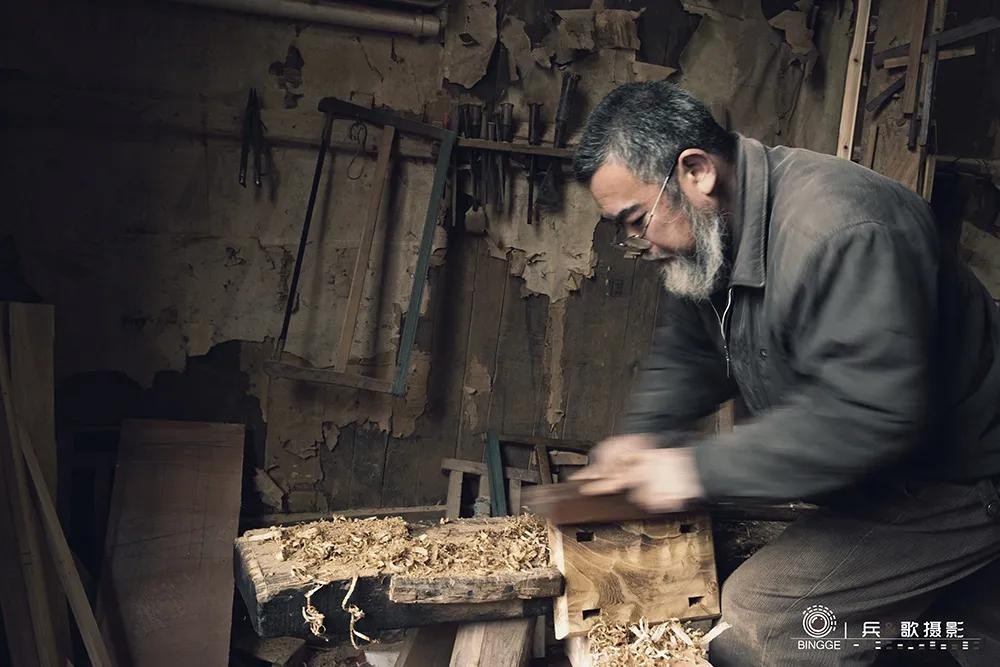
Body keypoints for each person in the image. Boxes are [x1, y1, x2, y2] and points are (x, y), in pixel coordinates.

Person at [570, 81, 1000, 666]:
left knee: (768, 620)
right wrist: (644, 436)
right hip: (884, 476)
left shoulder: (841, 229)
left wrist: (693, 469)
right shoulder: (710, 239)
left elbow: (867, 415)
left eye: (636, 219)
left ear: (696, 171)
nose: (634, 242)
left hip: (963, 478)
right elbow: (692, 352)